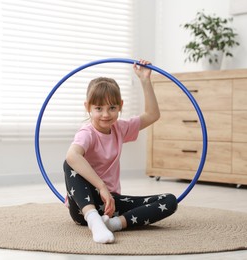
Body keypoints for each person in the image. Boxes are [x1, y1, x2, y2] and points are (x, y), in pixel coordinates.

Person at [63, 59, 178, 244]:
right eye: (98, 108)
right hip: (83, 207)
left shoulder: (120, 128)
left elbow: (152, 115)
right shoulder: (87, 133)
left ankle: (112, 225)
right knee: (69, 161)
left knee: (170, 201)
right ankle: (94, 221)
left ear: (120, 106)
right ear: (88, 108)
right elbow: (72, 156)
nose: (106, 114)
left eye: (112, 108)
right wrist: (102, 188)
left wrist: (145, 80)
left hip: (111, 205)